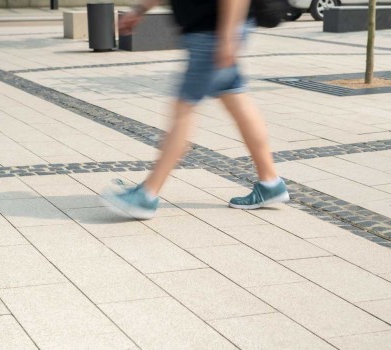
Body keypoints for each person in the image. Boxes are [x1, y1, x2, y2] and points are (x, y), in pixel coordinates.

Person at [104, 0, 289, 219]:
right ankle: (270, 183)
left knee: (184, 109)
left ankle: (146, 195)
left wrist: (228, 36)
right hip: (210, 30)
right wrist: (140, 9)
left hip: (213, 32)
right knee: (234, 96)